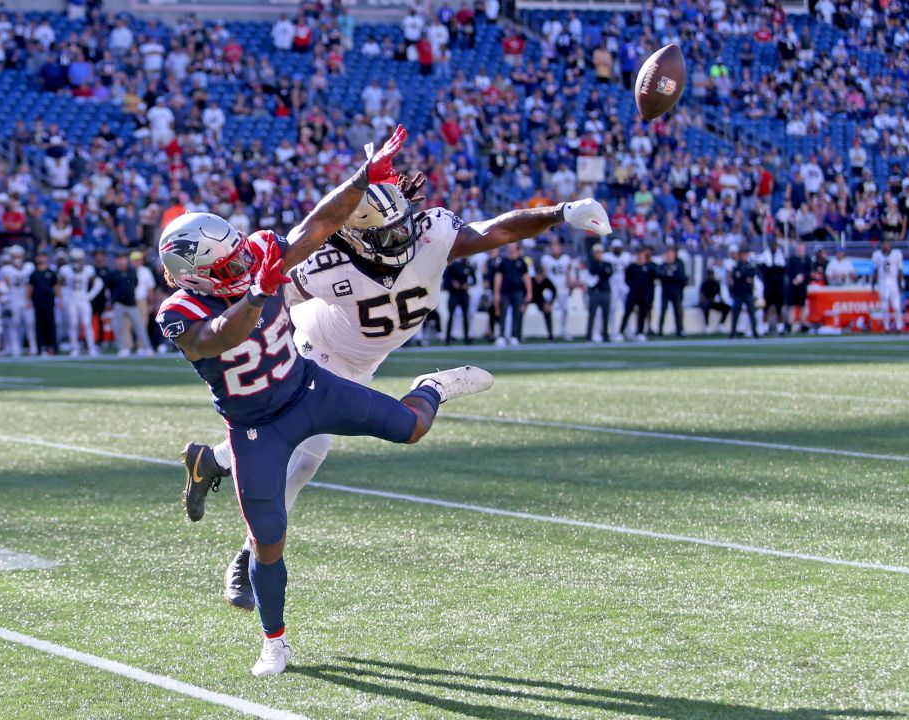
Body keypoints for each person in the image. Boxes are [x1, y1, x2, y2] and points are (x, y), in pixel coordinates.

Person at [175, 134, 609, 676]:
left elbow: (495, 229)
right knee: (301, 459)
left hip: (364, 360)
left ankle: (211, 461)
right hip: (317, 348)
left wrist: (561, 212)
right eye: (386, 231)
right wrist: (254, 303)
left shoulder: (431, 233)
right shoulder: (325, 265)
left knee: (298, 453)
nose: (402, 233)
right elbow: (275, 283)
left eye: (402, 222)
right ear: (355, 238)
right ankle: (248, 553)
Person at [59, 248, 103, 356]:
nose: (76, 262)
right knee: (73, 324)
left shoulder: (89, 269)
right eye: (74, 260)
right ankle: (74, 348)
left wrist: (90, 296)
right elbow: (59, 285)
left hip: (83, 300)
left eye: (78, 260)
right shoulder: (65, 270)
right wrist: (63, 298)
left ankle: (91, 347)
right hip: (71, 300)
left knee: (87, 323)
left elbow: (98, 283)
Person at [110, 253, 152, 356]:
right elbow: (111, 286)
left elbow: (137, 284)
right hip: (120, 303)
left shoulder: (133, 272)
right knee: (121, 327)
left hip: (133, 303)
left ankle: (146, 348)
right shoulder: (114, 273)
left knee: (140, 326)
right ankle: (124, 348)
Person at [0, 246, 37, 356]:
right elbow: (4, 286)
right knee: (14, 324)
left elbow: (32, 285)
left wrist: (30, 299)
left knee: (30, 324)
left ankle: (33, 348)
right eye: (14, 256)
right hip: (13, 300)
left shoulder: (29, 267)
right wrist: (6, 300)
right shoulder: (6, 269)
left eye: (19, 256)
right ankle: (15, 349)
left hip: (26, 300)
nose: (17, 258)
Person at [493, 242, 531, 346]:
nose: (511, 247)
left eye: (512, 245)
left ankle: (514, 336)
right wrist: (496, 292)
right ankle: (501, 336)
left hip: (518, 291)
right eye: (509, 246)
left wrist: (529, 292)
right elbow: (498, 277)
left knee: (516, 314)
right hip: (505, 292)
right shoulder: (503, 262)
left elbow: (526, 277)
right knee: (503, 313)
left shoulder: (521, 262)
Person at [540, 238, 575, 340]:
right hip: (551, 289)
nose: (555, 250)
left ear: (560, 248)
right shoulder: (546, 259)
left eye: (557, 247)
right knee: (550, 310)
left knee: (565, 310)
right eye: (553, 248)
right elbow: (544, 274)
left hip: (563, 288)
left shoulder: (565, 258)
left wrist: (570, 286)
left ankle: (563, 330)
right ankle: (551, 332)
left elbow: (568, 273)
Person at [619, 246, 655, 341]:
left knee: (642, 313)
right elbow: (627, 278)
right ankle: (621, 331)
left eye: (641, 254)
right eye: (638, 254)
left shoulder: (649, 267)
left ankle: (640, 332)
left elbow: (652, 280)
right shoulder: (632, 267)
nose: (640, 256)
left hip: (644, 294)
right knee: (628, 312)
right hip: (633, 293)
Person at [871, 238, 905, 332]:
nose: (886, 246)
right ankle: (886, 327)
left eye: (887, 244)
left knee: (896, 306)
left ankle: (899, 327)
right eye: (884, 244)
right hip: (882, 282)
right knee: (884, 307)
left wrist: (902, 283)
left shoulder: (897, 254)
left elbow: (900, 270)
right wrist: (873, 284)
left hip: (893, 282)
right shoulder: (877, 255)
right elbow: (875, 270)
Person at [757, 238, 788, 335]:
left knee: (779, 308)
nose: (774, 247)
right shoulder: (764, 257)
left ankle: (780, 329)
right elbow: (763, 270)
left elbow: (782, 269)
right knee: (766, 308)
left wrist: (772, 270)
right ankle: (765, 328)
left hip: (778, 287)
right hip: (768, 287)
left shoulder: (780, 256)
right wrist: (773, 270)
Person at [29, 255, 59, 354]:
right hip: (38, 303)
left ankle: (52, 346)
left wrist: (60, 299)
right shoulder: (34, 274)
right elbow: (30, 288)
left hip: (49, 302)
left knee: (50, 325)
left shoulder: (50, 273)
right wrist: (28, 300)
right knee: (39, 326)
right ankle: (40, 347)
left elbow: (56, 286)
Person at [728, 246, 760, 339]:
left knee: (752, 313)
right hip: (738, 293)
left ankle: (755, 332)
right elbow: (736, 276)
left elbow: (751, 274)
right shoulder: (736, 265)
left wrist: (743, 276)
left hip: (748, 292)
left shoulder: (750, 265)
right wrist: (744, 276)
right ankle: (732, 332)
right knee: (736, 314)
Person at [656, 245, 688, 337]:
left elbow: (681, 277)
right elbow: (659, 275)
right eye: (668, 253)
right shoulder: (663, 265)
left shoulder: (679, 264)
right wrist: (669, 275)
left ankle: (679, 330)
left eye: (671, 253)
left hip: (676, 291)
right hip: (666, 291)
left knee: (678, 311)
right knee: (663, 311)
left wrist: (669, 275)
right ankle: (660, 331)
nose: (669, 255)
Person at [584, 243, 614, 342]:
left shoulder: (607, 264)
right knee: (592, 314)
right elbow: (595, 272)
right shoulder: (591, 264)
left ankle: (605, 334)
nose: (598, 254)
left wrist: (602, 272)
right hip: (595, 292)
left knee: (606, 314)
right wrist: (603, 271)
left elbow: (608, 273)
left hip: (605, 290)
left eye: (600, 252)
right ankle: (589, 334)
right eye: (597, 252)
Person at [442, 255, 474, 344]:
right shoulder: (454, 265)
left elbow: (474, 280)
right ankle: (448, 338)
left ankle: (467, 337)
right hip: (454, 295)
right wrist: (453, 282)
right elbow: (446, 276)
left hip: (464, 294)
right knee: (451, 316)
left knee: (465, 316)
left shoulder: (469, 266)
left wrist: (468, 284)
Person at [786, 240, 811, 334]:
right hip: (793, 286)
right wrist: (794, 279)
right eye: (799, 247)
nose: (801, 249)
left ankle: (803, 325)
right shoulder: (792, 259)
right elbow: (789, 272)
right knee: (792, 306)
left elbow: (809, 272)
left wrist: (803, 277)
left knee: (802, 306)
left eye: (802, 247)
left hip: (802, 286)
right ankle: (790, 325)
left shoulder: (807, 259)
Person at [530, 263, 558, 341]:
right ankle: (517, 336)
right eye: (538, 275)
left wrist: (549, 303)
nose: (540, 277)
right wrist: (524, 303)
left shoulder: (546, 280)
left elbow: (554, 291)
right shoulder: (531, 280)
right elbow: (524, 292)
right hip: (529, 299)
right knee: (519, 310)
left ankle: (550, 336)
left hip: (540, 300)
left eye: (541, 275)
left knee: (548, 311)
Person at [699, 267, 730, 332]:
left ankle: (721, 324)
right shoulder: (705, 284)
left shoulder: (716, 283)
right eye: (710, 274)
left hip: (714, 302)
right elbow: (702, 296)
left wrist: (721, 301)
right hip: (707, 301)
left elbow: (719, 295)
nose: (711, 276)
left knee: (727, 307)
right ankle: (707, 325)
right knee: (706, 307)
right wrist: (707, 300)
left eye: (712, 274)